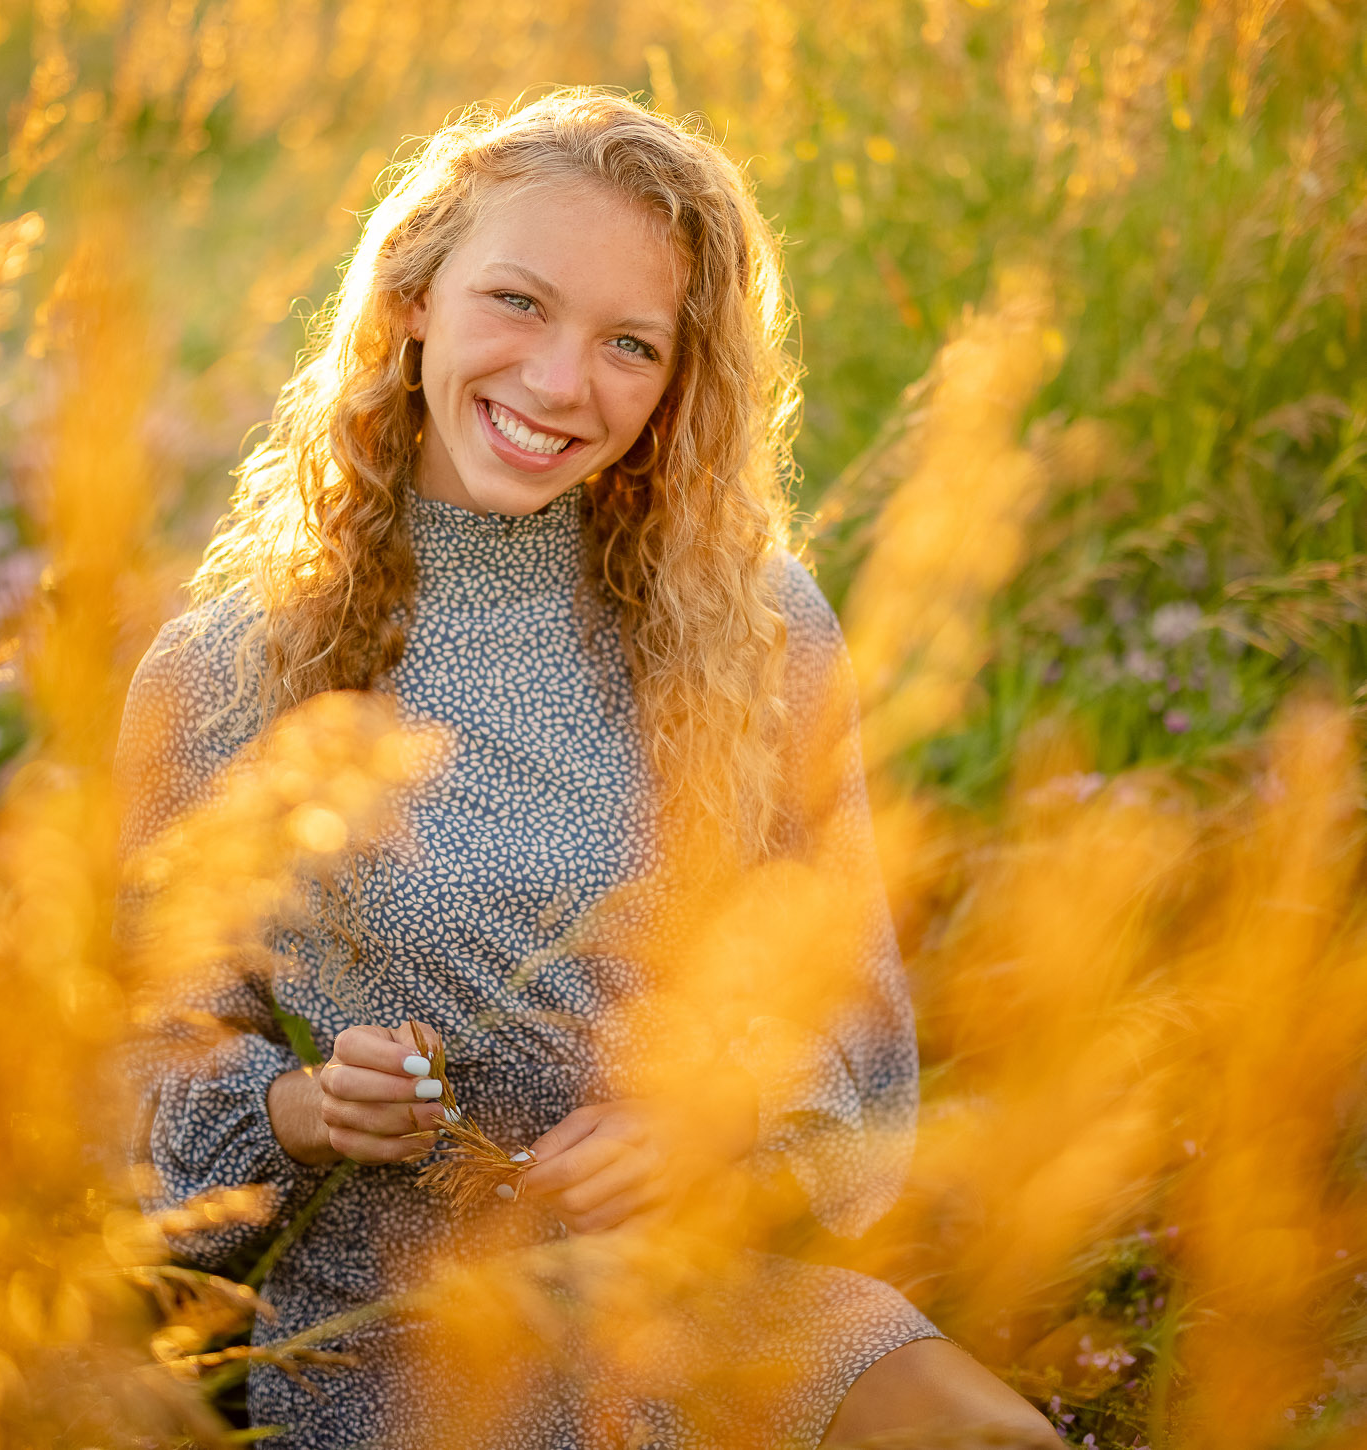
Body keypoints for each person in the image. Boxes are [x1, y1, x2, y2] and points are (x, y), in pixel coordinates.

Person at [117, 88, 1057, 1449]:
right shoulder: (218, 673)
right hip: (409, 1335)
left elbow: (845, 988)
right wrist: (306, 1106)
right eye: (517, 302)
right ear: (413, 298)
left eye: (630, 342)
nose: (561, 384)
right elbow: (139, 1059)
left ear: (681, 379)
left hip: (701, 1290)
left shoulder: (756, 627)